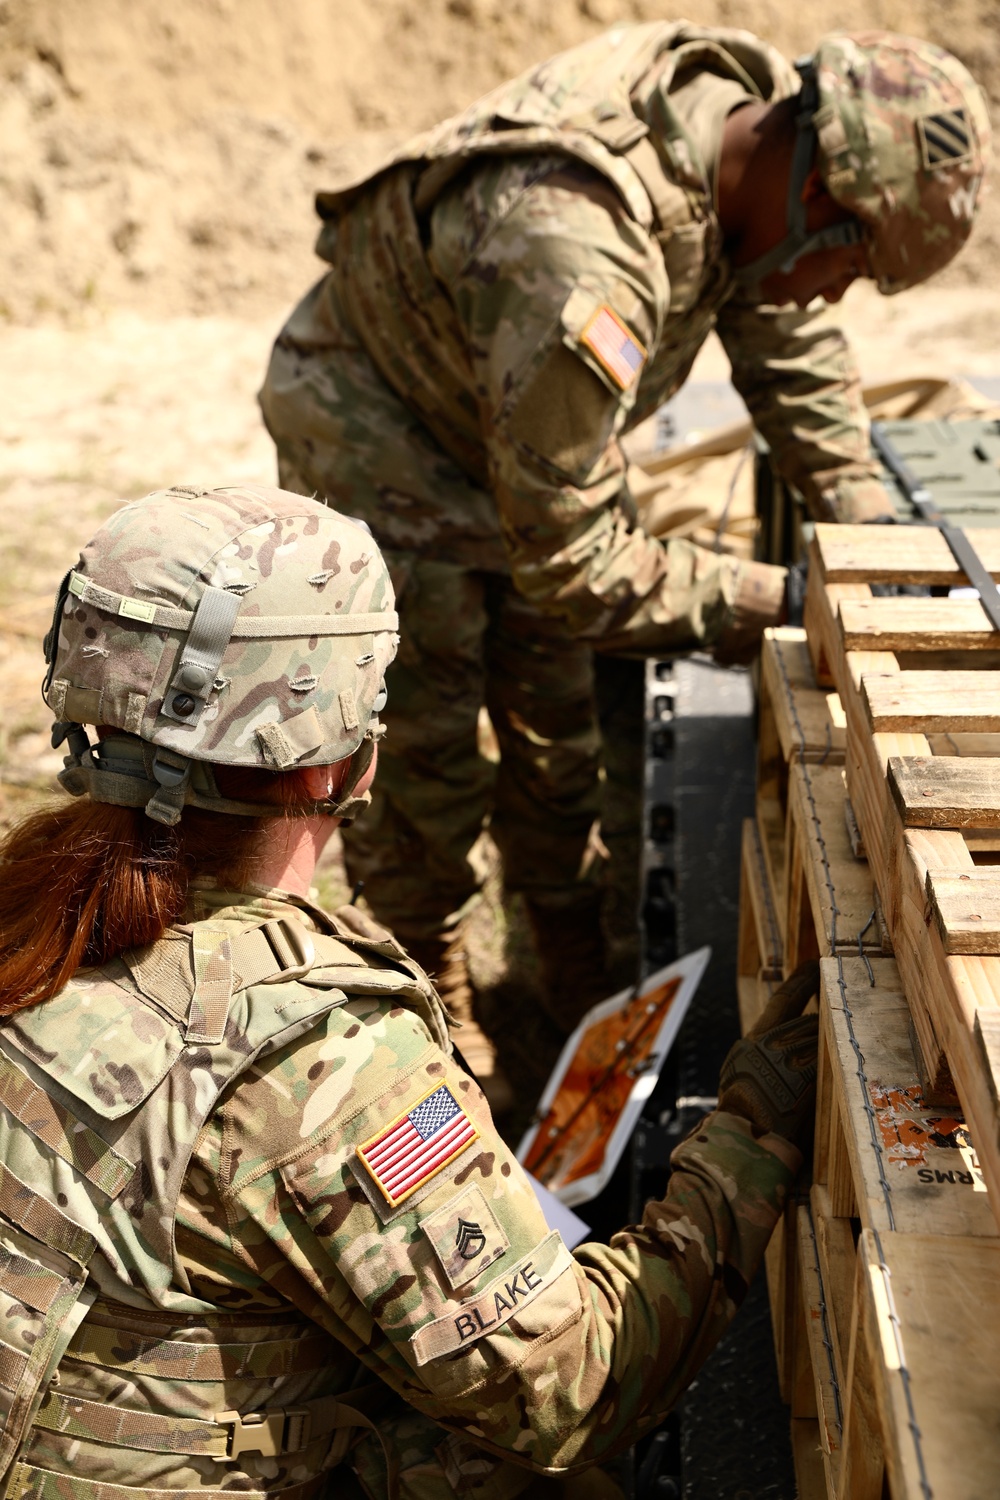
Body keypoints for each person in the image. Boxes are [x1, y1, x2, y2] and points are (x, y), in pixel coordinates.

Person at [0, 481, 820, 1500]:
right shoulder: (317, 1054)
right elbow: (572, 1385)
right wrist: (754, 1129)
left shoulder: (28, 919)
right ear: (330, 758)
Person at [258, 23, 990, 1103]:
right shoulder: (579, 248)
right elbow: (574, 566)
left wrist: (866, 531)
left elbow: (794, 357)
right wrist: (784, 597)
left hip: (534, 430)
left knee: (557, 737)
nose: (834, 293)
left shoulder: (745, 158)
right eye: (850, 263)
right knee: (423, 755)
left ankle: (568, 978)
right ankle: (433, 994)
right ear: (816, 198)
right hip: (389, 438)